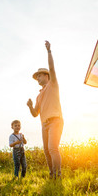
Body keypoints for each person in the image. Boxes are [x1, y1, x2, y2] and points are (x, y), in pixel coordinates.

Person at [27, 40, 63, 179]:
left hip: (55, 121)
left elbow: (52, 68)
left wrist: (49, 51)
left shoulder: (53, 84)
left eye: (39, 76)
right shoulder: (38, 96)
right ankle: (52, 174)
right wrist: (30, 106)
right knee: (47, 151)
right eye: (36, 77)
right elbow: (35, 114)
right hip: (44, 124)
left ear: (46, 76)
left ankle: (58, 175)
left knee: (53, 148)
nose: (38, 78)